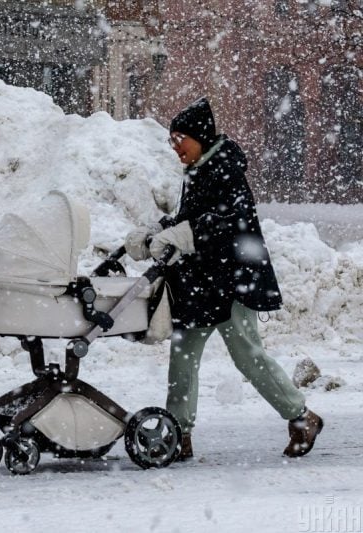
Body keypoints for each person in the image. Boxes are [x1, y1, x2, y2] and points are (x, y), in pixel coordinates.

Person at [124, 97, 323, 460]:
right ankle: (179, 434)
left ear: (200, 136)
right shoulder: (198, 169)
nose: (175, 146)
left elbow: (226, 222)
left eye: (180, 137)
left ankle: (301, 416)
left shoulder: (226, 170)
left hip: (232, 282)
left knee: (247, 356)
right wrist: (156, 230)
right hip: (199, 284)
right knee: (182, 356)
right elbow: (192, 217)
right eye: (172, 139)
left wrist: (183, 235)